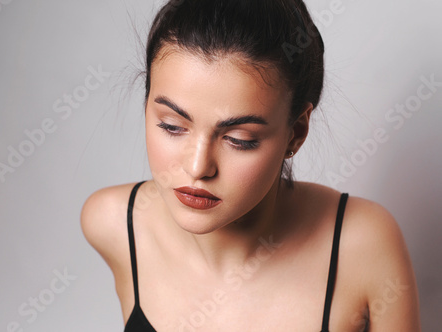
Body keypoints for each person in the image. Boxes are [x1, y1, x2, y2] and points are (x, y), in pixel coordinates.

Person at [81, 0, 421, 330]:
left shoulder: (362, 246)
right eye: (172, 125)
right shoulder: (113, 223)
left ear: (296, 132)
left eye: (239, 139)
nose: (199, 167)